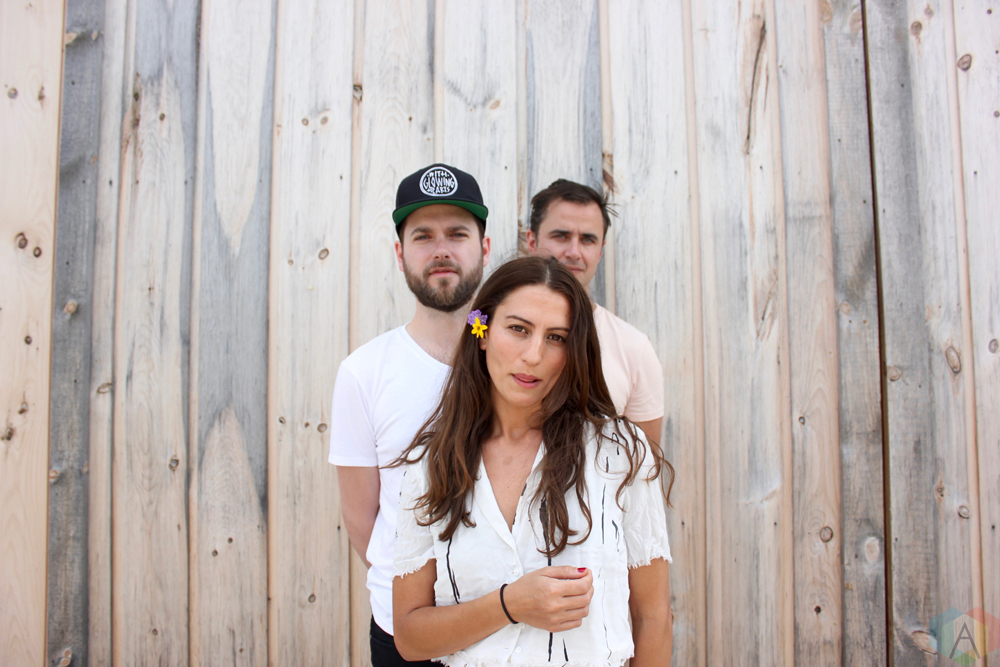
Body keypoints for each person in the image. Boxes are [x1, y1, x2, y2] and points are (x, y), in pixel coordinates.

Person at [390, 256, 673, 666]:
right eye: (518, 329)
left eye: (556, 338)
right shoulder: (432, 463)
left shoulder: (620, 452)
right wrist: (510, 605)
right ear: (482, 331)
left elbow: (653, 618)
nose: (534, 354)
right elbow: (411, 638)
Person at [329, 164, 492, 666]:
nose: (441, 249)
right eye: (423, 236)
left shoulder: (514, 358)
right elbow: (363, 519)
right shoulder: (364, 372)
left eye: (457, 234)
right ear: (400, 254)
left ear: (485, 248)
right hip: (403, 629)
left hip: (505, 626)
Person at [525, 179, 664, 446]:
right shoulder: (492, 328)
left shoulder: (634, 348)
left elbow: (645, 465)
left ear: (600, 251)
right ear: (532, 241)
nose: (574, 252)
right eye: (561, 236)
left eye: (587, 240)